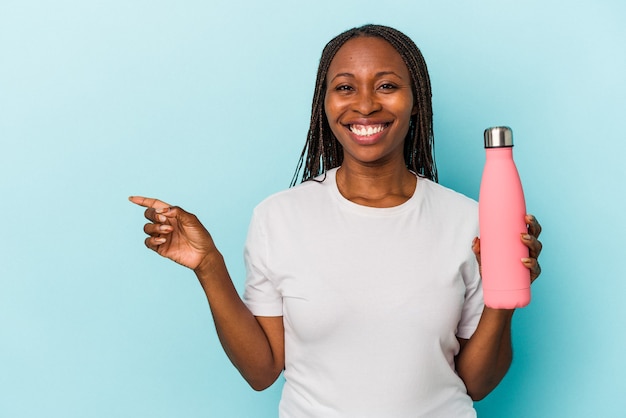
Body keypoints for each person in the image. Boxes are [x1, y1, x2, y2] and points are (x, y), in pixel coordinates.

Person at [130, 24, 542, 417]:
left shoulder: (468, 219)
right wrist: (209, 266)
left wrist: (503, 297)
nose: (365, 104)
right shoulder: (278, 218)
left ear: (416, 100)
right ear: (323, 104)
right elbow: (262, 371)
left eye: (387, 86)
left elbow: (475, 384)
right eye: (345, 87)